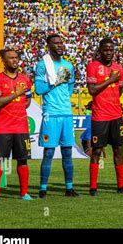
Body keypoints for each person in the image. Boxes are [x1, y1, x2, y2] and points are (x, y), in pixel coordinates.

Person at [35, 34, 78, 198]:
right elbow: (39, 89)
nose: (60, 45)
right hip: (51, 115)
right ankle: (43, 189)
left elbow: (70, 88)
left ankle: (69, 188)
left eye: (61, 42)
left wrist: (63, 100)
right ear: (49, 46)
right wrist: (55, 82)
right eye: (56, 43)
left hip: (66, 114)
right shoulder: (42, 65)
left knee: (68, 152)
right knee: (48, 153)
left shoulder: (68, 65)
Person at [0, 48, 33, 202]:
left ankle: (24, 193)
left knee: (23, 160)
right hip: (3, 127)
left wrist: (19, 105)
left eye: (16, 57)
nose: (15, 60)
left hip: (21, 127)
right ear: (4, 61)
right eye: (11, 58)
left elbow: (28, 100)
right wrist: (15, 94)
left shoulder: (25, 79)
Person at [87, 38, 123, 196]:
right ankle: (93, 187)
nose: (108, 53)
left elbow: (119, 91)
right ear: (100, 50)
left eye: (111, 50)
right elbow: (92, 90)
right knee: (97, 150)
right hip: (100, 116)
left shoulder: (119, 68)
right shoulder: (93, 66)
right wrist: (110, 80)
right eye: (105, 50)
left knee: (118, 149)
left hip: (116, 116)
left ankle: (121, 186)